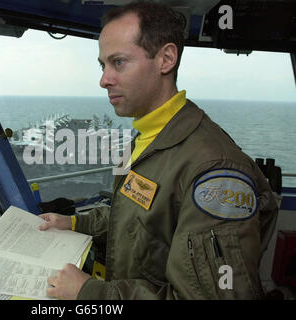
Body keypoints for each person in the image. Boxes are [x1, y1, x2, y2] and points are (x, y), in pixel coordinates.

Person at [39, 1, 278, 299]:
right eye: (103, 65)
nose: (104, 80)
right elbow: (134, 222)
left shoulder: (215, 171)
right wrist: (75, 223)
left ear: (165, 59)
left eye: (119, 62)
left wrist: (89, 293)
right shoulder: (144, 138)